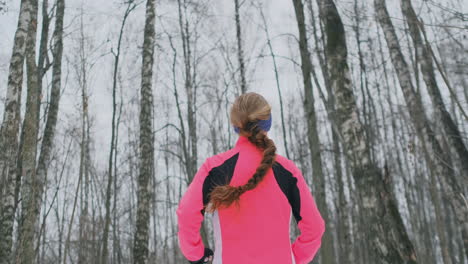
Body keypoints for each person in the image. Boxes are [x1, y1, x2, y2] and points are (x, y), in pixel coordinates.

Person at [176, 92, 325, 264]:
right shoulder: (287, 171)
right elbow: (314, 227)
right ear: (267, 123)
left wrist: (197, 255)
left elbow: (186, 215)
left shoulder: (215, 168)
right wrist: (293, 258)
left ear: (236, 125)